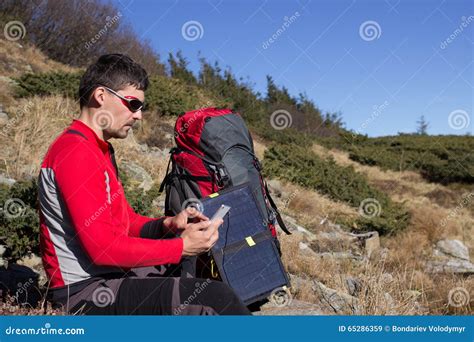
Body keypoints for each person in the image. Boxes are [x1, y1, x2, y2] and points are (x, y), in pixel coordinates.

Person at [38, 54, 250, 315]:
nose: (138, 115)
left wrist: (167, 225)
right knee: (216, 300)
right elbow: (103, 250)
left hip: (108, 277)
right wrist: (181, 247)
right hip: (85, 293)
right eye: (132, 103)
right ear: (101, 96)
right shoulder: (76, 152)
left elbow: (124, 221)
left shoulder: (98, 149)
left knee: (191, 272)